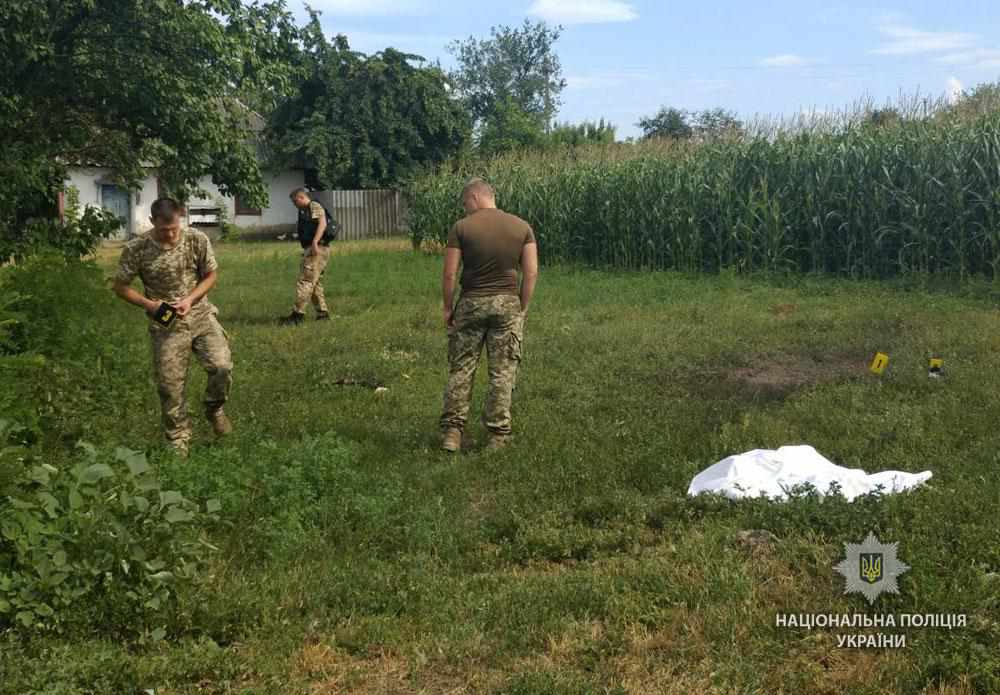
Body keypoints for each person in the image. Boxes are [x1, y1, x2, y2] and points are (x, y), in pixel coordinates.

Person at [112, 198, 233, 457]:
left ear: (181, 218)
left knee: (221, 366)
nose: (170, 234)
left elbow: (211, 275)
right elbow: (120, 287)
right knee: (169, 386)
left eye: (174, 228)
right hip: (166, 323)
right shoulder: (138, 248)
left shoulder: (196, 239)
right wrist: (150, 305)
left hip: (200, 314)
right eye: (164, 229)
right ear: (153, 221)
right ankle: (177, 438)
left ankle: (214, 408)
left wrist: (190, 299)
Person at [439, 178, 539, 452]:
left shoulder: (461, 228)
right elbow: (530, 272)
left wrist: (448, 308)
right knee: (502, 372)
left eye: (464, 203)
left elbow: (449, 273)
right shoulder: (522, 227)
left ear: (474, 197)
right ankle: (497, 436)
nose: (465, 208)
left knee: (461, 368)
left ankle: (452, 433)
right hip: (507, 305)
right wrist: (523, 306)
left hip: (471, 303)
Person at [279, 188, 337, 325]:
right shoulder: (305, 210)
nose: (294, 204)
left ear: (301, 197)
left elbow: (322, 223)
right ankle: (322, 314)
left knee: (305, 281)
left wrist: (315, 242)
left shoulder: (314, 206)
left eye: (295, 201)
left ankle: (297, 315)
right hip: (314, 249)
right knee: (314, 282)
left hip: (318, 248)